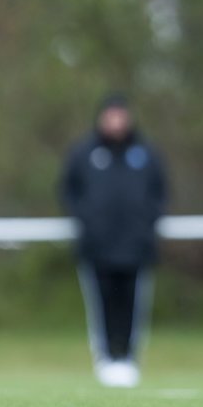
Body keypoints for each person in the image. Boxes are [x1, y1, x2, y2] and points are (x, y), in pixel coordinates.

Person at [59, 93, 169, 388]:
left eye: (121, 115)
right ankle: (105, 359)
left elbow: (160, 194)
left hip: (137, 248)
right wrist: (88, 222)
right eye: (111, 115)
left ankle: (130, 359)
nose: (116, 121)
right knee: (101, 305)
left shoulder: (146, 153)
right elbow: (69, 192)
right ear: (101, 117)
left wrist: (146, 224)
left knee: (134, 307)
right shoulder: (83, 154)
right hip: (96, 248)